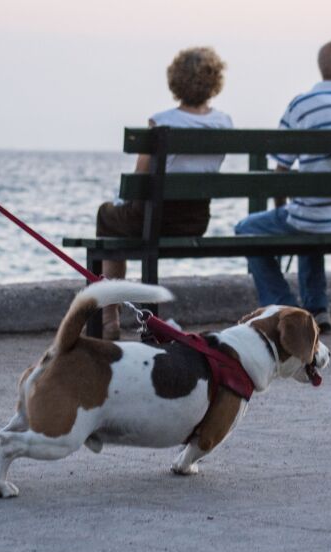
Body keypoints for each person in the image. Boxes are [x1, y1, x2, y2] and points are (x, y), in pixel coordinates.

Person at [234, 39, 331, 334]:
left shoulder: (302, 105)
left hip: (312, 217)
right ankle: (316, 309)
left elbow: (280, 169)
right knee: (307, 216)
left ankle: (285, 308)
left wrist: (282, 208)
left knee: (249, 228)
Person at [98, 46, 232, 340]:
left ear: (175, 81)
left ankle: (109, 317)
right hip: (195, 220)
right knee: (122, 219)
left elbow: (141, 175)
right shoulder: (224, 123)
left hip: (155, 220)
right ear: (214, 82)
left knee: (107, 216)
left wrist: (122, 201)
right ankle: (113, 315)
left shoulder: (161, 121)